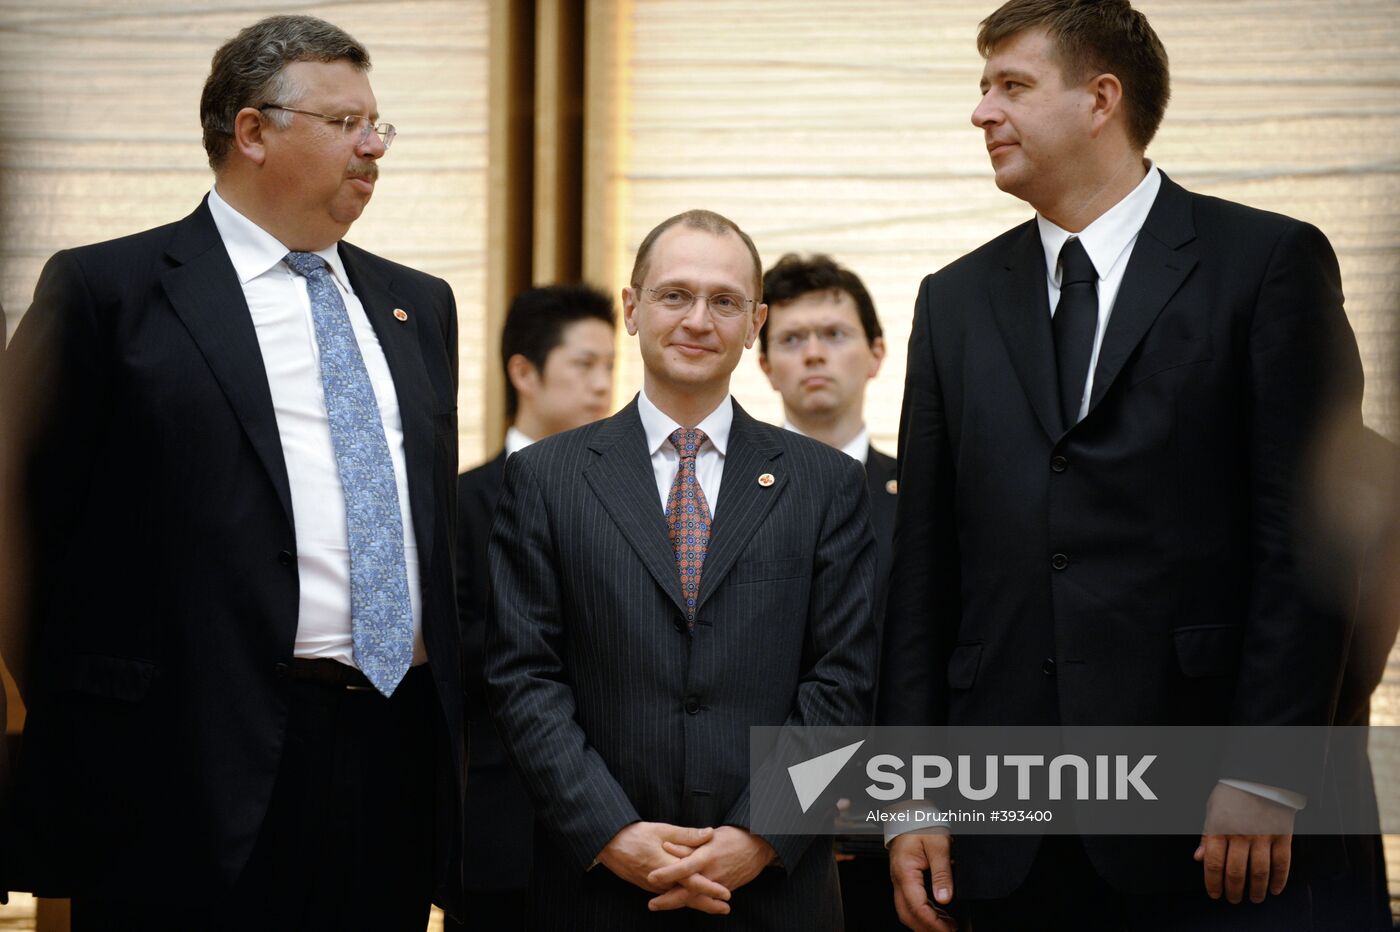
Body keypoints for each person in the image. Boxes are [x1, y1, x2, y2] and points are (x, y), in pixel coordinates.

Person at [880, 2, 1364, 930]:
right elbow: (924, 571)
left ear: (1102, 99)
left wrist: (1267, 767)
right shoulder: (954, 300)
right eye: (983, 88)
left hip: (1208, 816)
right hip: (1004, 823)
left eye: (1011, 86)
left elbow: (1312, 539)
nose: (982, 112)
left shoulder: (1265, 263)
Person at [0, 15, 465, 930]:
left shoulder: (420, 305)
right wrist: (109, 706)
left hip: (386, 749)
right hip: (176, 765)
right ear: (252, 131)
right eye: (344, 124)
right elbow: (18, 524)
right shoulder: (110, 292)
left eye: (379, 125)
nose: (373, 146)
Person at [485, 209, 879, 930]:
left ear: (755, 321)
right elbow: (523, 675)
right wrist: (611, 833)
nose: (699, 319)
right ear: (632, 309)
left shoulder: (823, 485)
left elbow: (843, 678)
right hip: (597, 888)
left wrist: (759, 835)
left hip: (773, 889)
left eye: (725, 301)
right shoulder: (545, 478)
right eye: (674, 296)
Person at [451, 282, 615, 928]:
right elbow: (456, 650)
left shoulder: (635, 502)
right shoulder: (459, 503)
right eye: (583, 364)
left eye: (609, 366)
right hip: (499, 821)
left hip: (624, 824)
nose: (602, 385)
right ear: (524, 370)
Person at [758, 253, 902, 930]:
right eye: (791, 339)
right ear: (764, 364)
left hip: (895, 837)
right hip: (751, 834)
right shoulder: (711, 503)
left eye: (835, 335)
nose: (814, 353)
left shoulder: (930, 500)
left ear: (876, 353)